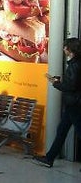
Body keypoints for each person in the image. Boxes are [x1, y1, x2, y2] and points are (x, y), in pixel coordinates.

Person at [34, 38, 81, 168]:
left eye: (65, 47)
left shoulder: (74, 65)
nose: (63, 49)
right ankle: (49, 158)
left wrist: (56, 83)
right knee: (61, 131)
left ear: (70, 49)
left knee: (70, 131)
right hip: (74, 103)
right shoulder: (75, 64)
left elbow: (71, 86)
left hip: (74, 104)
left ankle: (49, 158)